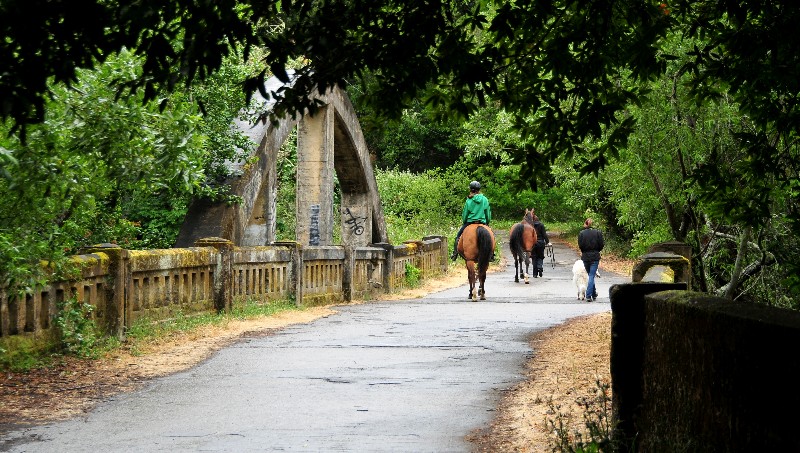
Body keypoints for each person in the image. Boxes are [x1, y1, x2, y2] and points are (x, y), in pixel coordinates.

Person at [451, 180, 492, 260]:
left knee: (458, 236)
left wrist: (464, 222)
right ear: (479, 189)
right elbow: (487, 213)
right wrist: (487, 222)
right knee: (491, 236)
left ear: (470, 189)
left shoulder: (469, 200)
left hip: (470, 223)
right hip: (482, 222)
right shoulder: (484, 199)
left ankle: (455, 254)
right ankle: (492, 254)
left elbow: (465, 214)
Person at [577, 218, 604, 302]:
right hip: (595, 256)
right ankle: (589, 295)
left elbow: (580, 245)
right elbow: (601, 244)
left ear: (585, 224)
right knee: (591, 275)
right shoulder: (598, 233)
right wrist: (597, 250)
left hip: (585, 256)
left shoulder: (581, 233)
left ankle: (593, 293)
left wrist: (584, 251)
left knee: (590, 275)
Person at [531, 213, 549, 278]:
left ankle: (535, 274)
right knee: (540, 256)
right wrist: (547, 242)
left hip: (533, 243)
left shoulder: (531, 225)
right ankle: (540, 267)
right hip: (541, 242)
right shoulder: (541, 225)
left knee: (534, 257)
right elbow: (544, 234)